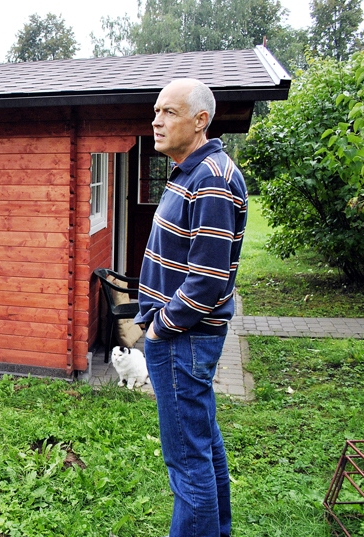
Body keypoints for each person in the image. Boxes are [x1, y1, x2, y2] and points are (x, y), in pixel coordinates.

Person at [134, 78, 247, 537]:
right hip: (183, 340)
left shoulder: (211, 180)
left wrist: (160, 328)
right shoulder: (191, 171)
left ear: (200, 121)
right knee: (203, 446)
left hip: (183, 340)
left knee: (186, 461)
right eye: (156, 111)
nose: (157, 121)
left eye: (169, 113)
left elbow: (207, 280)